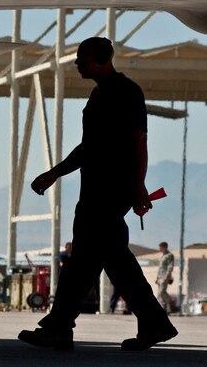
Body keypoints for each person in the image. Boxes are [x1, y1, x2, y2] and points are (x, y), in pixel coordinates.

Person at [17, 37, 177, 351]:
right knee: (100, 261)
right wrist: (55, 173)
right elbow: (89, 148)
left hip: (109, 191)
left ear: (102, 59)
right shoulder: (100, 94)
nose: (78, 63)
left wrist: (138, 185)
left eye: (82, 58)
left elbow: (139, 141)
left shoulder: (126, 92)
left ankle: (61, 327)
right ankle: (149, 323)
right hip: (96, 189)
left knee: (91, 262)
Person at [156, 241, 175, 315]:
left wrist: (167, 276)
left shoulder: (169, 255)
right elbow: (160, 268)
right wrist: (157, 277)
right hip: (160, 277)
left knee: (162, 292)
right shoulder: (162, 256)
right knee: (160, 294)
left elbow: (170, 266)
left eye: (160, 247)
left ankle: (169, 303)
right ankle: (165, 309)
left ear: (164, 247)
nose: (159, 248)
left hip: (165, 277)